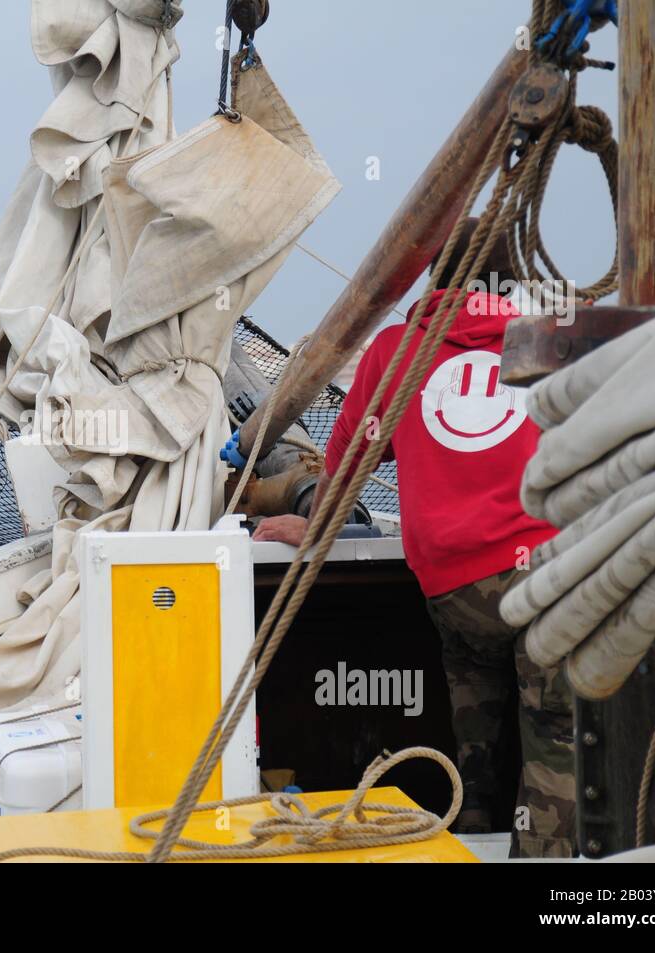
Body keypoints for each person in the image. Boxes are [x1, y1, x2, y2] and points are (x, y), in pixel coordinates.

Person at [252, 220, 576, 857]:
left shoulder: (397, 352)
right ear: (513, 283)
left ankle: (473, 834)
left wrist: (310, 527)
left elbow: (345, 471)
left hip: (455, 588)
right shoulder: (551, 347)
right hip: (544, 576)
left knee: (474, 746)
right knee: (555, 738)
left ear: (435, 277)